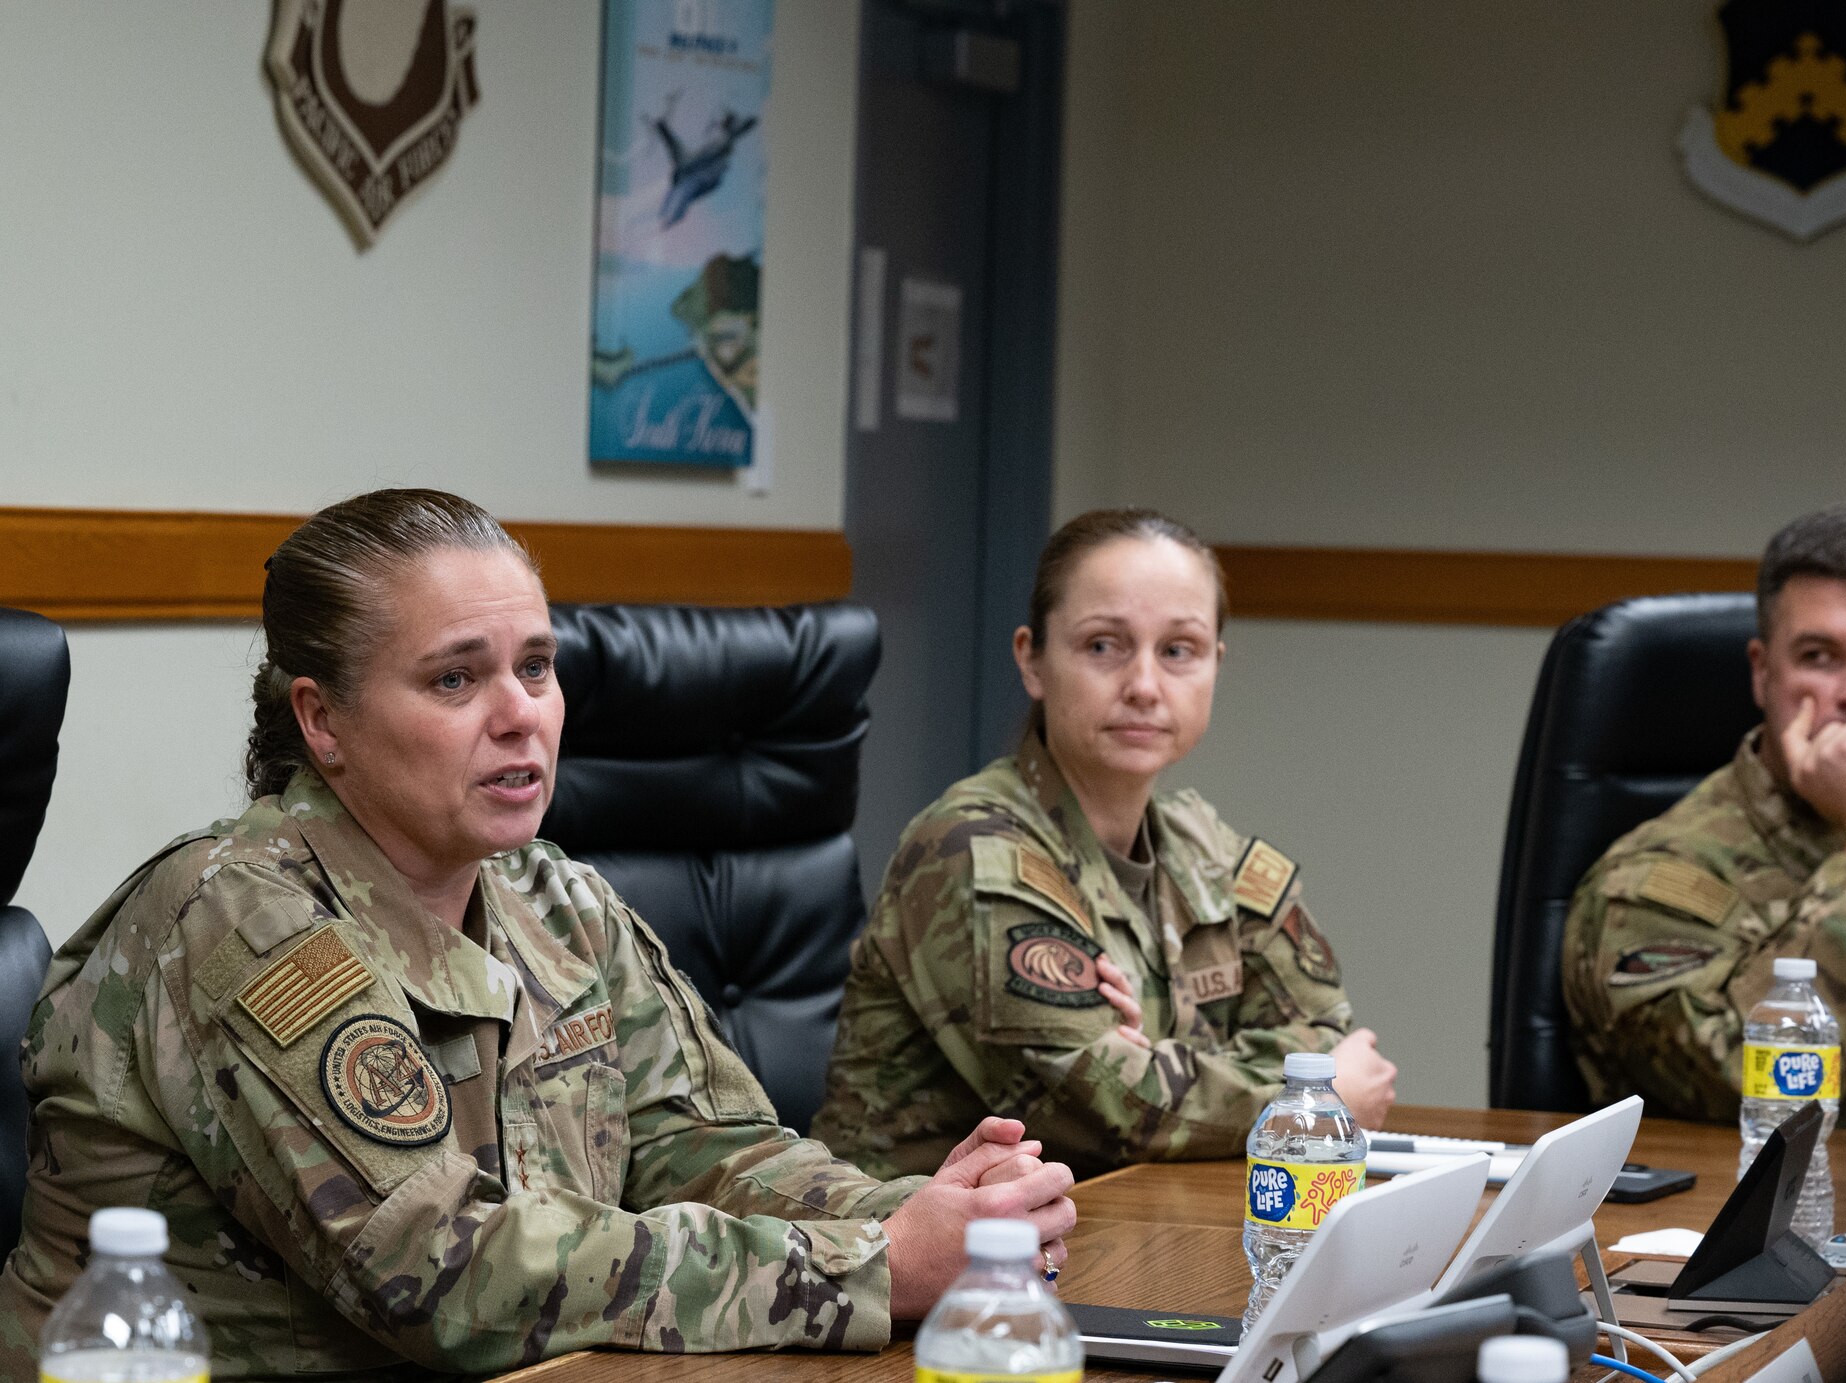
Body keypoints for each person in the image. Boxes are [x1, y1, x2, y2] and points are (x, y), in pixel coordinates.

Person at [0, 489, 1075, 1379]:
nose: (521, 713)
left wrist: (931, 1219)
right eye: (456, 678)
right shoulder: (240, 916)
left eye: (538, 666)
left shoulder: (555, 898)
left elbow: (702, 1147)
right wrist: (874, 1265)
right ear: (321, 720)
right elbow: (439, 1269)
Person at [812, 508, 1397, 1181]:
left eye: (1179, 650)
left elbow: (1331, 1038)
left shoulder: (1203, 845)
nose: (1145, 686)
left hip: (1105, 1225)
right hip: (918, 1258)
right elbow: (1113, 1112)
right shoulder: (972, 850)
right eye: (1103, 646)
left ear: (1215, 664)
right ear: (1031, 659)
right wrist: (1281, 1096)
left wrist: (1160, 1058)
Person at [1563, 500, 1846, 1131]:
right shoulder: (1653, 882)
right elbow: (1748, 1093)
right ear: (1764, 673)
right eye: (1820, 656)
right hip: (1807, 1215)